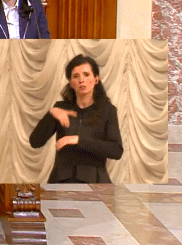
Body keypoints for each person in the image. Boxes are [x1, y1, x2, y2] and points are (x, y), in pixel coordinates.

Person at [29, 55, 123, 183]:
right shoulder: (61, 108)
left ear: (96, 79)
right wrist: (51, 114)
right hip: (61, 182)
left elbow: (116, 151)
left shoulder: (108, 111)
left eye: (86, 75)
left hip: (94, 182)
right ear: (71, 83)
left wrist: (78, 140)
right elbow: (35, 142)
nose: (81, 80)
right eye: (75, 76)